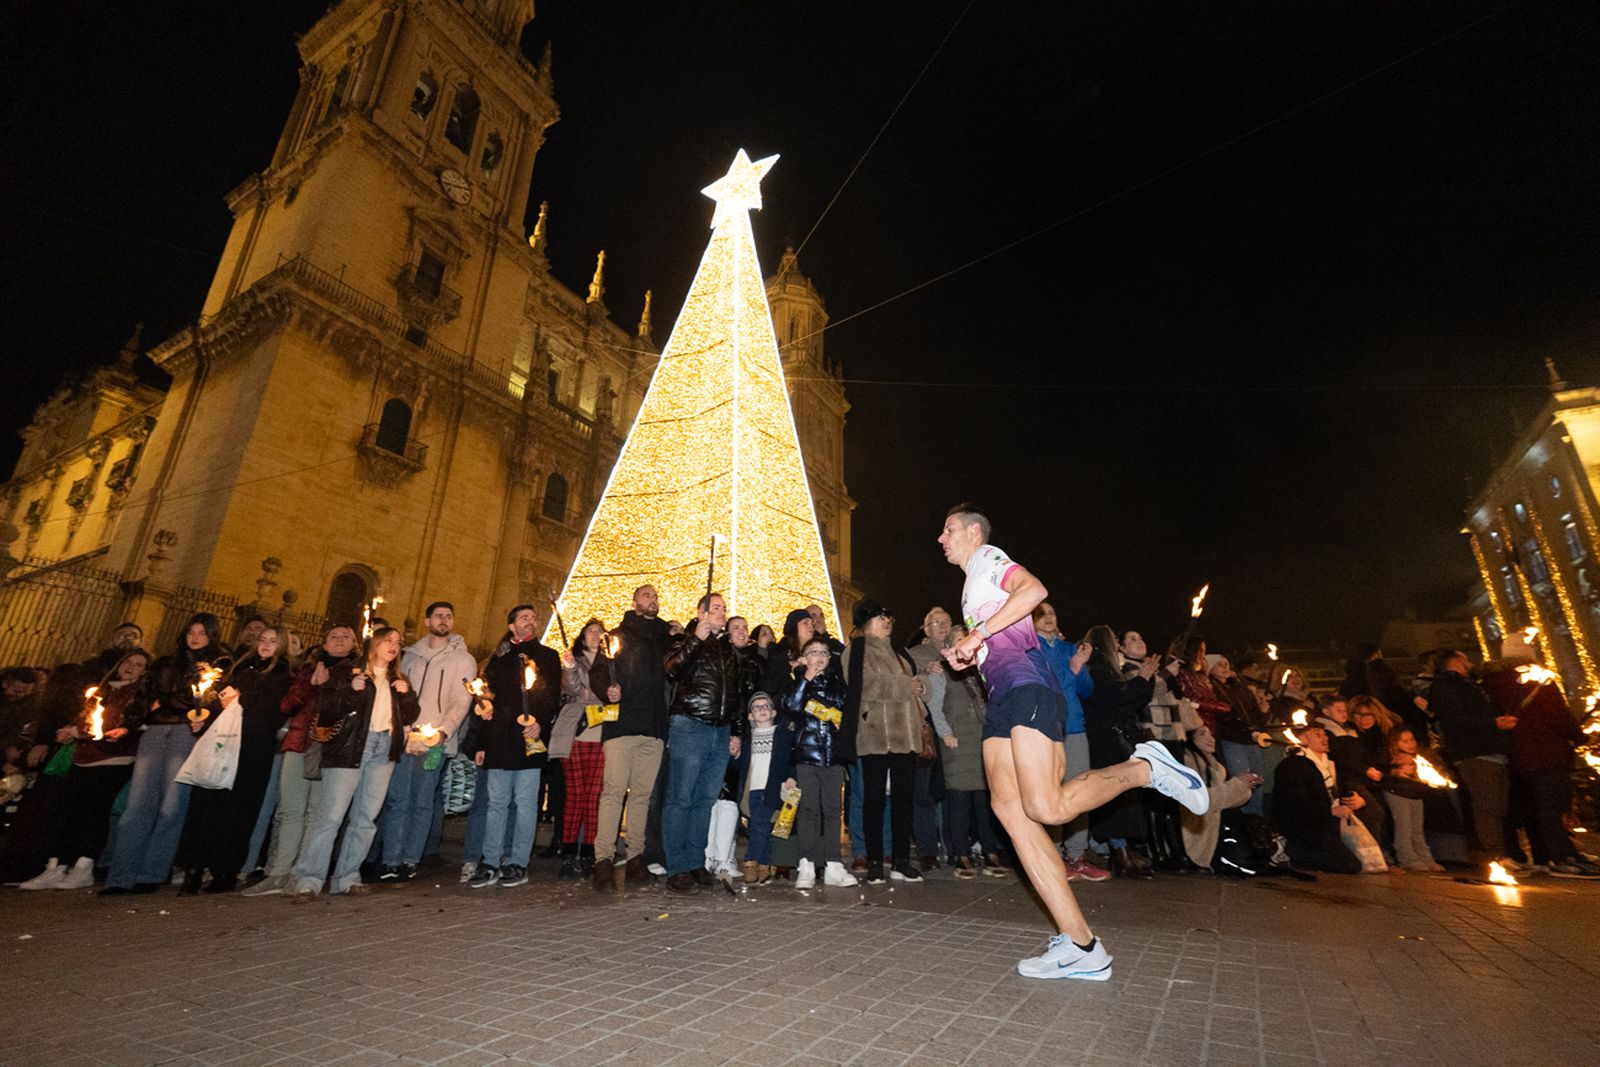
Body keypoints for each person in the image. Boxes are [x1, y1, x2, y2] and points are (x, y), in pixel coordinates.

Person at [938, 505, 1207, 980]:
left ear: (975, 532)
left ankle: (1146, 768)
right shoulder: (971, 583)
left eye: (949, 529)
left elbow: (1034, 591)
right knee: (1010, 811)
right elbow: (1001, 634)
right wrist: (971, 654)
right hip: (1002, 697)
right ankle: (1082, 945)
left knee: (1047, 808)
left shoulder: (987, 557)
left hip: (1029, 689)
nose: (941, 538)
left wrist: (978, 634)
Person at [101, 613, 229, 895]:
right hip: (156, 732)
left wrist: (165, 701)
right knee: (138, 804)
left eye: (202, 633)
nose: (195, 637)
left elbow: (203, 700)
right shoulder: (165, 663)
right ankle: (121, 876)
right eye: (191, 632)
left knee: (172, 806)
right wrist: (128, 725)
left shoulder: (218, 665)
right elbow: (145, 698)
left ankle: (151, 873)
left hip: (186, 733)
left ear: (211, 636)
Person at [290, 626, 419, 898]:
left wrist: (406, 695)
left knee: (365, 818)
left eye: (398, 642)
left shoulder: (397, 679)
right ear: (374, 643)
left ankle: (347, 877)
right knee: (331, 816)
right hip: (351, 747)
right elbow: (326, 709)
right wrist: (351, 690)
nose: (394, 646)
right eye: (388, 640)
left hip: (384, 747)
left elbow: (410, 715)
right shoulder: (349, 673)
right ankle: (309, 878)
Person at [175, 626, 294, 893]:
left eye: (273, 641)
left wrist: (243, 703)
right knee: (206, 804)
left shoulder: (284, 677)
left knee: (238, 810)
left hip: (252, 748)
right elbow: (218, 703)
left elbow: (274, 715)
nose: (266, 645)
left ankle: (224, 871)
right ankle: (193, 867)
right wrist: (204, 722)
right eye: (263, 640)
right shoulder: (240, 669)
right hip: (222, 743)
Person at [19, 650, 150, 890]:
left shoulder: (138, 694)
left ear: (145, 671)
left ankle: (83, 866)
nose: (131, 666)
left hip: (112, 759)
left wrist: (78, 732)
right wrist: (70, 730)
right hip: (83, 758)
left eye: (138, 664)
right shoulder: (102, 689)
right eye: (127, 661)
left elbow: (122, 721)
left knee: (94, 813)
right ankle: (55, 866)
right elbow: (85, 717)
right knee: (65, 812)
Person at [242, 623, 357, 897]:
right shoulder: (308, 669)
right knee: (290, 810)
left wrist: (328, 686)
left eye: (345, 637)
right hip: (298, 742)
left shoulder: (356, 672)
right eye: (333, 636)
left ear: (354, 644)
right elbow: (287, 705)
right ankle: (279, 873)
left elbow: (347, 707)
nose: (339, 640)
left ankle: (300, 873)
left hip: (329, 748)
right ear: (325, 643)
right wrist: (312, 685)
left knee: (316, 813)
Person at [377, 602, 475, 882]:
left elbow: (461, 700)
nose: (443, 620)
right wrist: (402, 728)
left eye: (448, 616)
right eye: (438, 616)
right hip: (405, 738)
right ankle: (390, 860)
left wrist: (444, 731)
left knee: (422, 801)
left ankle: (410, 859)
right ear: (427, 621)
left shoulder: (463, 659)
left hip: (435, 741)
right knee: (398, 800)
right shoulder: (410, 656)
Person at [466, 605, 561, 889]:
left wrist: (540, 723)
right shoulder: (500, 660)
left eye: (533, 617)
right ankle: (490, 861)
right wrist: (482, 741)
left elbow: (551, 696)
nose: (531, 621)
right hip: (499, 740)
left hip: (528, 740)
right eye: (524, 618)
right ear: (511, 626)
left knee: (525, 804)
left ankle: (518, 861)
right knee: (496, 804)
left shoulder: (548, 656)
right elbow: (488, 702)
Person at [661, 593, 749, 894]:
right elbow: (672, 669)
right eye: (716, 608)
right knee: (681, 798)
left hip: (720, 730)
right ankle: (677, 866)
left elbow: (737, 693)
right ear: (701, 613)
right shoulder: (683, 640)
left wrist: (736, 731)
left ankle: (695, 860)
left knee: (704, 800)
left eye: (724, 608)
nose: (722, 613)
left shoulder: (727, 648)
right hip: (690, 725)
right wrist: (695, 640)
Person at [592, 585, 673, 891]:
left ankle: (636, 856)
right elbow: (599, 672)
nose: (653, 599)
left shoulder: (665, 638)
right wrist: (607, 690)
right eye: (647, 595)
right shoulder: (616, 636)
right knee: (613, 793)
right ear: (635, 601)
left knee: (642, 795)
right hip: (623, 726)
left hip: (653, 728)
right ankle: (603, 859)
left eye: (656, 596)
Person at [842, 600, 927, 885]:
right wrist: (904, 685)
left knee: (903, 800)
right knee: (873, 800)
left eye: (888, 616)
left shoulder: (900, 650)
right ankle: (875, 861)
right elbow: (863, 686)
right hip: (875, 736)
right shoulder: (856, 651)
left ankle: (901, 860)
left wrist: (922, 685)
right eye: (880, 617)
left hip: (906, 737)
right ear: (865, 623)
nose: (886, 620)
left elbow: (916, 681)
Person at [1482, 663, 1595, 876]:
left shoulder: (1490, 687)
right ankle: (1561, 857)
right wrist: (1582, 738)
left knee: (1535, 810)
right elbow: (1559, 717)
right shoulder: (1540, 683)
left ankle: (1545, 857)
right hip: (1548, 756)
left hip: (1519, 759)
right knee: (1554, 809)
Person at [1426, 650, 1517, 872]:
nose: (1469, 663)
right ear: (1456, 662)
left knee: (1498, 804)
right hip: (1473, 752)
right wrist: (1493, 723)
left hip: (1490, 749)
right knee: (1487, 804)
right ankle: (1495, 854)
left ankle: (1501, 851)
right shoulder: (1446, 687)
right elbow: (1456, 720)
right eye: (1465, 659)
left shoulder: (1469, 685)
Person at [1081, 624, 1159, 878]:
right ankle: (1119, 851)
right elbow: (1114, 698)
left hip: (1112, 739)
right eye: (1114, 639)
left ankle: (1122, 851)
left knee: (1121, 796)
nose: (1117, 644)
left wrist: (1146, 678)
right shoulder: (1096, 668)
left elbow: (1132, 701)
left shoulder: (1107, 669)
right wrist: (1142, 679)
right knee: (1112, 796)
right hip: (1103, 740)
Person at [781, 635, 856, 888]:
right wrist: (806, 678)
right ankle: (807, 865)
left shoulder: (838, 683)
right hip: (806, 754)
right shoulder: (796, 681)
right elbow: (792, 707)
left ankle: (833, 864)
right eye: (814, 652)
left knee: (833, 810)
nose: (820, 657)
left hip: (834, 755)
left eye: (824, 652)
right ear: (804, 658)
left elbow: (848, 714)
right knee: (809, 809)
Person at [1034, 604, 1101, 879]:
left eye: (1052, 613)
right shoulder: (1030, 649)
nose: (1049, 618)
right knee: (1052, 793)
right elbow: (1046, 686)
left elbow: (1087, 690)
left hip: (1074, 727)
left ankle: (1077, 854)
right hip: (1047, 730)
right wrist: (1072, 669)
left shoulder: (1069, 648)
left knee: (1080, 791)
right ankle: (1053, 855)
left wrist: (1080, 667)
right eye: (1042, 614)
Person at [939, 624, 1010, 878]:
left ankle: (990, 851)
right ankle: (962, 854)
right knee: (959, 801)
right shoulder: (942, 672)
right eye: (959, 640)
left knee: (984, 801)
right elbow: (934, 705)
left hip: (983, 740)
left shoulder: (982, 671)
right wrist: (946, 733)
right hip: (958, 743)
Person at [554, 619, 617, 879]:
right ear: (583, 636)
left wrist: (592, 694)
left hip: (602, 735)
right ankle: (569, 853)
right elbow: (571, 688)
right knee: (575, 795)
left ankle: (591, 852)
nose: (595, 635)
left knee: (594, 797)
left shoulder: (612, 662)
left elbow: (612, 693)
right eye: (591, 631)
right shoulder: (575, 661)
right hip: (576, 734)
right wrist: (570, 668)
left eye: (599, 632)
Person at [1272, 724, 1363, 874]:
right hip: (1305, 827)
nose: (1325, 738)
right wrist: (1330, 811)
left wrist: (1356, 799)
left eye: (1325, 734)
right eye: (1317, 734)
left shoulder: (1329, 764)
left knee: (1360, 858)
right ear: (1303, 739)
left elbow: (1338, 791)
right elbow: (1293, 803)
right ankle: (1293, 853)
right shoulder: (1293, 765)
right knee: (1350, 865)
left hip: (1328, 825)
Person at [1178, 723, 1262, 871]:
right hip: (1192, 834)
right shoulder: (1188, 762)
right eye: (1202, 734)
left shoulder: (1216, 767)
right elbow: (1203, 800)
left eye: (1211, 734)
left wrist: (1244, 787)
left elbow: (1222, 800)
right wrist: (1238, 786)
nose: (1211, 739)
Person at [906, 608, 952, 870]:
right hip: (928, 730)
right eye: (937, 622)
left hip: (958, 729)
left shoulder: (961, 649)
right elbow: (909, 679)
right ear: (926, 629)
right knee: (923, 792)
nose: (943, 626)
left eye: (947, 621)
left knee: (956, 792)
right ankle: (927, 850)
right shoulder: (916, 654)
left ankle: (959, 847)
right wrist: (925, 669)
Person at [734, 692, 794, 885]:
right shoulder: (747, 739)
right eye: (756, 707)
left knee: (759, 824)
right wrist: (735, 754)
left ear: (773, 712)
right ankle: (764, 866)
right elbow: (740, 765)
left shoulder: (783, 735)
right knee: (762, 827)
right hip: (752, 788)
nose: (762, 710)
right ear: (750, 715)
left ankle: (750, 860)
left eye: (766, 706)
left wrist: (791, 777)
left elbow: (790, 759)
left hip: (773, 788)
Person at [1382, 726, 1446, 872]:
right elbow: (1380, 770)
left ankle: (1425, 858)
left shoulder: (1419, 756)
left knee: (1417, 828)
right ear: (1395, 743)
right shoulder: (1389, 756)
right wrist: (1395, 771)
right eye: (1404, 741)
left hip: (1415, 794)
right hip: (1398, 793)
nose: (1410, 744)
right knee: (1404, 827)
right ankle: (1407, 859)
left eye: (1412, 740)